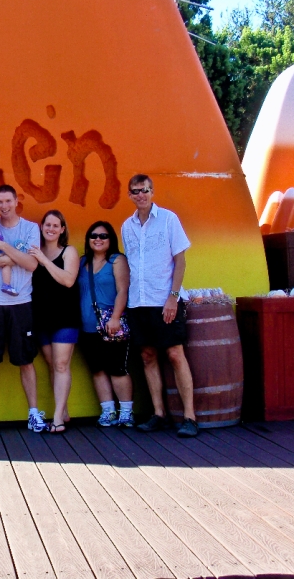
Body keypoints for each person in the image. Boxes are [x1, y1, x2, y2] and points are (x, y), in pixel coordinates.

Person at [121, 174, 198, 438]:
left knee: (175, 354)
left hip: (164, 300)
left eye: (144, 190)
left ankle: (189, 417)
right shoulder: (126, 227)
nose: (140, 195)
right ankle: (159, 414)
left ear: (152, 192)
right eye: (135, 191)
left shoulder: (168, 219)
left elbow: (181, 261)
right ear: (129, 195)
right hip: (138, 302)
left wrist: (173, 297)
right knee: (148, 356)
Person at [0, 184, 47, 434]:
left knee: (26, 360)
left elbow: (32, 264)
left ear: (16, 201)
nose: (3, 206)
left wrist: (3, 248)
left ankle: (34, 414)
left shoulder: (30, 229)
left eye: (7, 201)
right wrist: (7, 260)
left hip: (21, 302)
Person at [77, 221, 134, 428]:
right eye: (94, 235)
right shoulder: (83, 262)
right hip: (87, 326)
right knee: (97, 369)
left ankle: (126, 412)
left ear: (111, 239)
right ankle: (108, 411)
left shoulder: (117, 261)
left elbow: (123, 290)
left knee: (117, 368)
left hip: (112, 325)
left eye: (103, 236)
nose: (98, 239)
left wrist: (116, 317)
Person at [28, 210, 80, 433]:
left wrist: (43, 261)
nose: (50, 228)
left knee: (61, 364)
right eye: (47, 224)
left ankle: (57, 417)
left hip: (65, 316)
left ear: (62, 229)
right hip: (40, 317)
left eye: (55, 225)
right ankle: (64, 410)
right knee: (52, 364)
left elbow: (68, 280)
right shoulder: (34, 252)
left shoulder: (69, 251)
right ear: (41, 227)